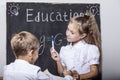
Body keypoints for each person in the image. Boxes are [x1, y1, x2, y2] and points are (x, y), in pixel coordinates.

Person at [50, 12, 101, 80]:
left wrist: (79, 77)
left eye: (72, 32)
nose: (67, 34)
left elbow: (94, 72)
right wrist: (58, 60)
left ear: (82, 35)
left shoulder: (90, 49)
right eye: (67, 29)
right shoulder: (64, 49)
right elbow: (62, 73)